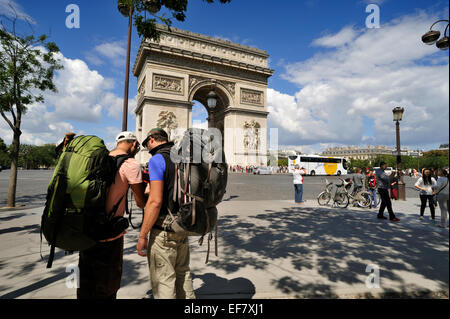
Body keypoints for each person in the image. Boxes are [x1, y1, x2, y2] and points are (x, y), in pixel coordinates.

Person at [77, 131, 146, 299]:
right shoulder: (131, 164)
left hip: (87, 229)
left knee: (85, 280)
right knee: (108, 283)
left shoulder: (98, 160)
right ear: (134, 144)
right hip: (110, 234)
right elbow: (140, 202)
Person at [137, 128, 196, 299]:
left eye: (147, 143)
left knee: (164, 280)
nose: (147, 148)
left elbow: (155, 202)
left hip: (163, 230)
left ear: (153, 140)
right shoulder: (184, 158)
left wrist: (142, 235)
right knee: (183, 274)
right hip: (182, 226)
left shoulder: (157, 159)